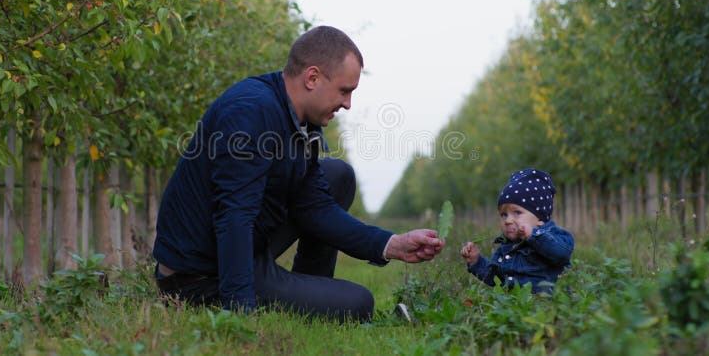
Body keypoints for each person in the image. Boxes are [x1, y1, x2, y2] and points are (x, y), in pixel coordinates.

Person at [153, 25, 445, 322]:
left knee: (338, 176)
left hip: (242, 245)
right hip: (200, 274)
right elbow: (234, 215)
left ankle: (307, 288)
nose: (347, 104)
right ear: (312, 77)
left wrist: (392, 244)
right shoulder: (251, 110)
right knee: (358, 304)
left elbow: (316, 206)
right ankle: (275, 298)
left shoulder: (297, 120)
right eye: (345, 91)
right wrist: (239, 316)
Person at [460, 168, 574, 294]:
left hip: (547, 305)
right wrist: (476, 261)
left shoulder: (553, 236)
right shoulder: (505, 248)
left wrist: (534, 236)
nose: (508, 220)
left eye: (517, 213)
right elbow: (496, 280)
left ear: (540, 218)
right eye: (504, 214)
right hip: (516, 307)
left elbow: (562, 253)